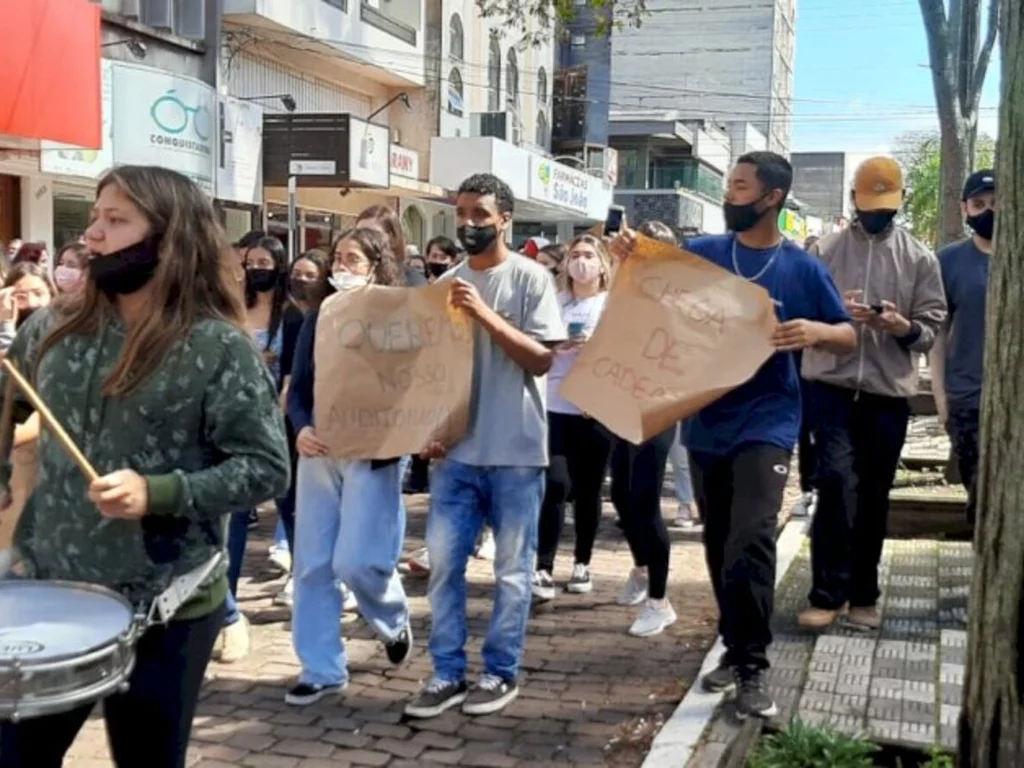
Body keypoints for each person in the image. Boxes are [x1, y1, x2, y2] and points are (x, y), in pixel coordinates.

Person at [0, 165, 290, 767]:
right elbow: (10, 398)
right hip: (50, 586)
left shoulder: (219, 347)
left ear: (169, 238)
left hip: (168, 605)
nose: (93, 236)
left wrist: (156, 492)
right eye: (95, 218)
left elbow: (265, 469)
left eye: (116, 220)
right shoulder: (52, 327)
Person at [615, 151, 857, 718]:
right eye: (728, 187)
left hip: (769, 423)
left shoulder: (802, 268)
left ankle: (752, 666)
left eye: (740, 187)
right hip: (706, 422)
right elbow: (651, 285)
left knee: (752, 538)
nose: (729, 197)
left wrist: (815, 330)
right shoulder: (703, 254)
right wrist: (629, 258)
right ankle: (733, 642)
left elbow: (847, 335)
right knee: (722, 547)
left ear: (771, 198)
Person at [405, 173, 565, 719]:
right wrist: (425, 431)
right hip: (455, 456)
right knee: (446, 569)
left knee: (512, 572)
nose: (470, 224)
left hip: (517, 453)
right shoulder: (444, 284)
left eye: (481, 215)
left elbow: (542, 359)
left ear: (505, 220)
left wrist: (484, 314)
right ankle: (446, 673)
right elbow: (430, 371)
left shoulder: (531, 280)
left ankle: (500, 673)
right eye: (463, 213)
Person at [799, 156, 947, 631]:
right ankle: (827, 593)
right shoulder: (824, 250)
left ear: (899, 201)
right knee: (836, 484)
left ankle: (863, 594)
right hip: (832, 387)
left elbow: (930, 328)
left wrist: (899, 324)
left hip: (888, 392)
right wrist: (833, 315)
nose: (875, 214)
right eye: (867, 205)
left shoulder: (920, 258)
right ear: (853, 201)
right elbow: (802, 314)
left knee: (875, 496)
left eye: (884, 205)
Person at [284, 227, 412, 706]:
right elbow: (297, 391)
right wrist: (300, 427)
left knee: (356, 560)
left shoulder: (400, 321)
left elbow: (415, 389)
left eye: (354, 258)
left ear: (377, 266)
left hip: (372, 455)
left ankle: (392, 619)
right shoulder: (316, 319)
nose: (342, 265)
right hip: (319, 453)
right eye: (338, 256)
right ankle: (320, 667)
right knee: (313, 565)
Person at [219, 236, 304, 663]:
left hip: (280, 428)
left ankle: (307, 587)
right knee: (231, 517)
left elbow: (293, 377)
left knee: (291, 508)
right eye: (251, 262)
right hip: (234, 428)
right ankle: (226, 607)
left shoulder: (293, 316)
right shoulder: (231, 309)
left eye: (265, 262)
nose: (256, 269)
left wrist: (276, 411)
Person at [532, 234, 614, 602]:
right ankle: (543, 565)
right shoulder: (554, 302)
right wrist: (557, 345)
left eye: (589, 255)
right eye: (575, 255)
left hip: (593, 409)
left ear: (602, 264)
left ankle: (582, 561)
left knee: (588, 489)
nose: (581, 262)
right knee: (554, 485)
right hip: (554, 405)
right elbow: (534, 346)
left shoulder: (611, 305)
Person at [930, 169, 994, 531]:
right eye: (979, 204)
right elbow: (939, 332)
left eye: (997, 203)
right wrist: (940, 396)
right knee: (981, 495)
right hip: (968, 396)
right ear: (965, 208)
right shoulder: (949, 261)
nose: (988, 211)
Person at [355, 205, 427, 287]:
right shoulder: (351, 276)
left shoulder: (412, 280)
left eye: (373, 234)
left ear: (393, 238)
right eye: (358, 233)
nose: (364, 239)